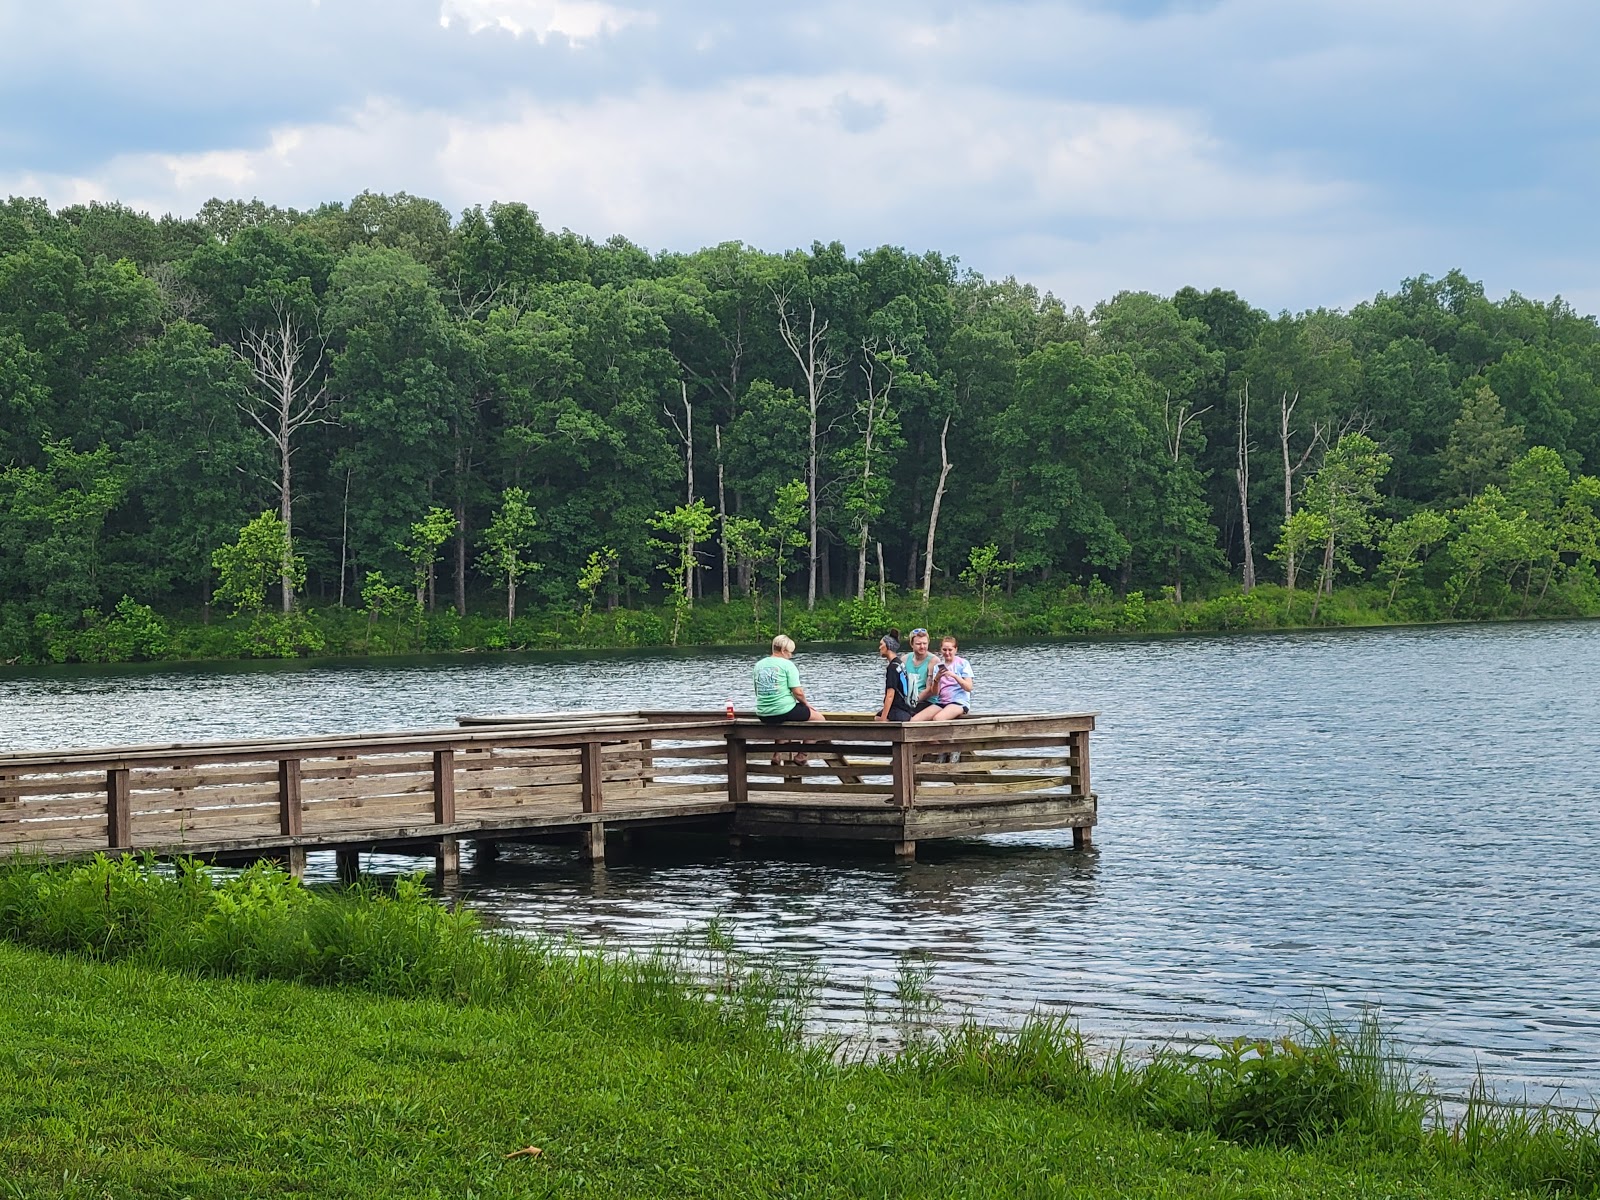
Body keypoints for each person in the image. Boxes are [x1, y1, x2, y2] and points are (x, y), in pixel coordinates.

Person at [752, 634, 825, 761]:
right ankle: (802, 755)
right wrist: (806, 704)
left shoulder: (759, 665)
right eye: (790, 652)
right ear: (783, 650)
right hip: (783, 711)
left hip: (763, 713)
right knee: (820, 720)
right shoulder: (787, 665)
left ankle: (777, 755)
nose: (791, 655)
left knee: (781, 724)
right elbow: (798, 692)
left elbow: (757, 691)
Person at [910, 635, 974, 722]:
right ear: (941, 650)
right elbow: (935, 693)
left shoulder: (963, 664)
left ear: (955, 649)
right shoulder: (938, 667)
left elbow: (969, 687)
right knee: (914, 720)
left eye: (950, 650)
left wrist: (954, 676)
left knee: (938, 718)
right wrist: (936, 680)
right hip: (941, 702)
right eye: (944, 650)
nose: (947, 653)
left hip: (959, 702)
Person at [874, 629, 915, 722]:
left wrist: (883, 719)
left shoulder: (892, 667)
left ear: (888, 646)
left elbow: (890, 695)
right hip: (906, 708)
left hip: (898, 710)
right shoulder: (900, 664)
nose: (879, 648)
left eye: (881, 644)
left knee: (877, 718)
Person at [901, 627, 936, 715]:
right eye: (918, 644)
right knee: (881, 716)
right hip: (908, 699)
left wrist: (913, 702)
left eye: (925, 643)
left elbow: (929, 690)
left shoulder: (933, 661)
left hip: (926, 701)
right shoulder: (904, 659)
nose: (922, 646)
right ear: (912, 644)